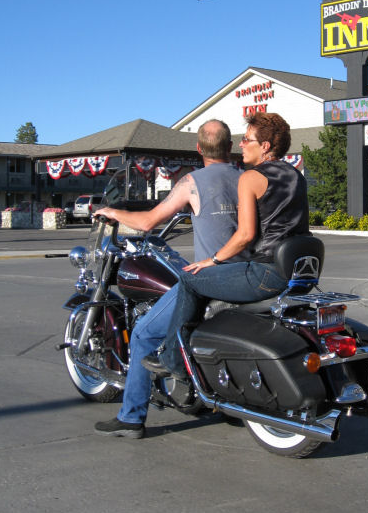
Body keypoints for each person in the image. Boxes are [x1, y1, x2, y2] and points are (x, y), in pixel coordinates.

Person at [94, 119, 244, 438]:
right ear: (230, 147)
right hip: (245, 275)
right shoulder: (246, 178)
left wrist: (113, 212)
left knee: (143, 334)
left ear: (198, 148)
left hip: (209, 277)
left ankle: (131, 417)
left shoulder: (192, 182)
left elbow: (149, 222)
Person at [143, 112, 310, 379]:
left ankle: (173, 360)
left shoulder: (251, 178)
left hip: (266, 273)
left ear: (265, 146)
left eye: (247, 139)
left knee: (189, 279)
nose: (241, 144)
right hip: (298, 272)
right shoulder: (295, 175)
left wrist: (212, 260)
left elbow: (245, 235)